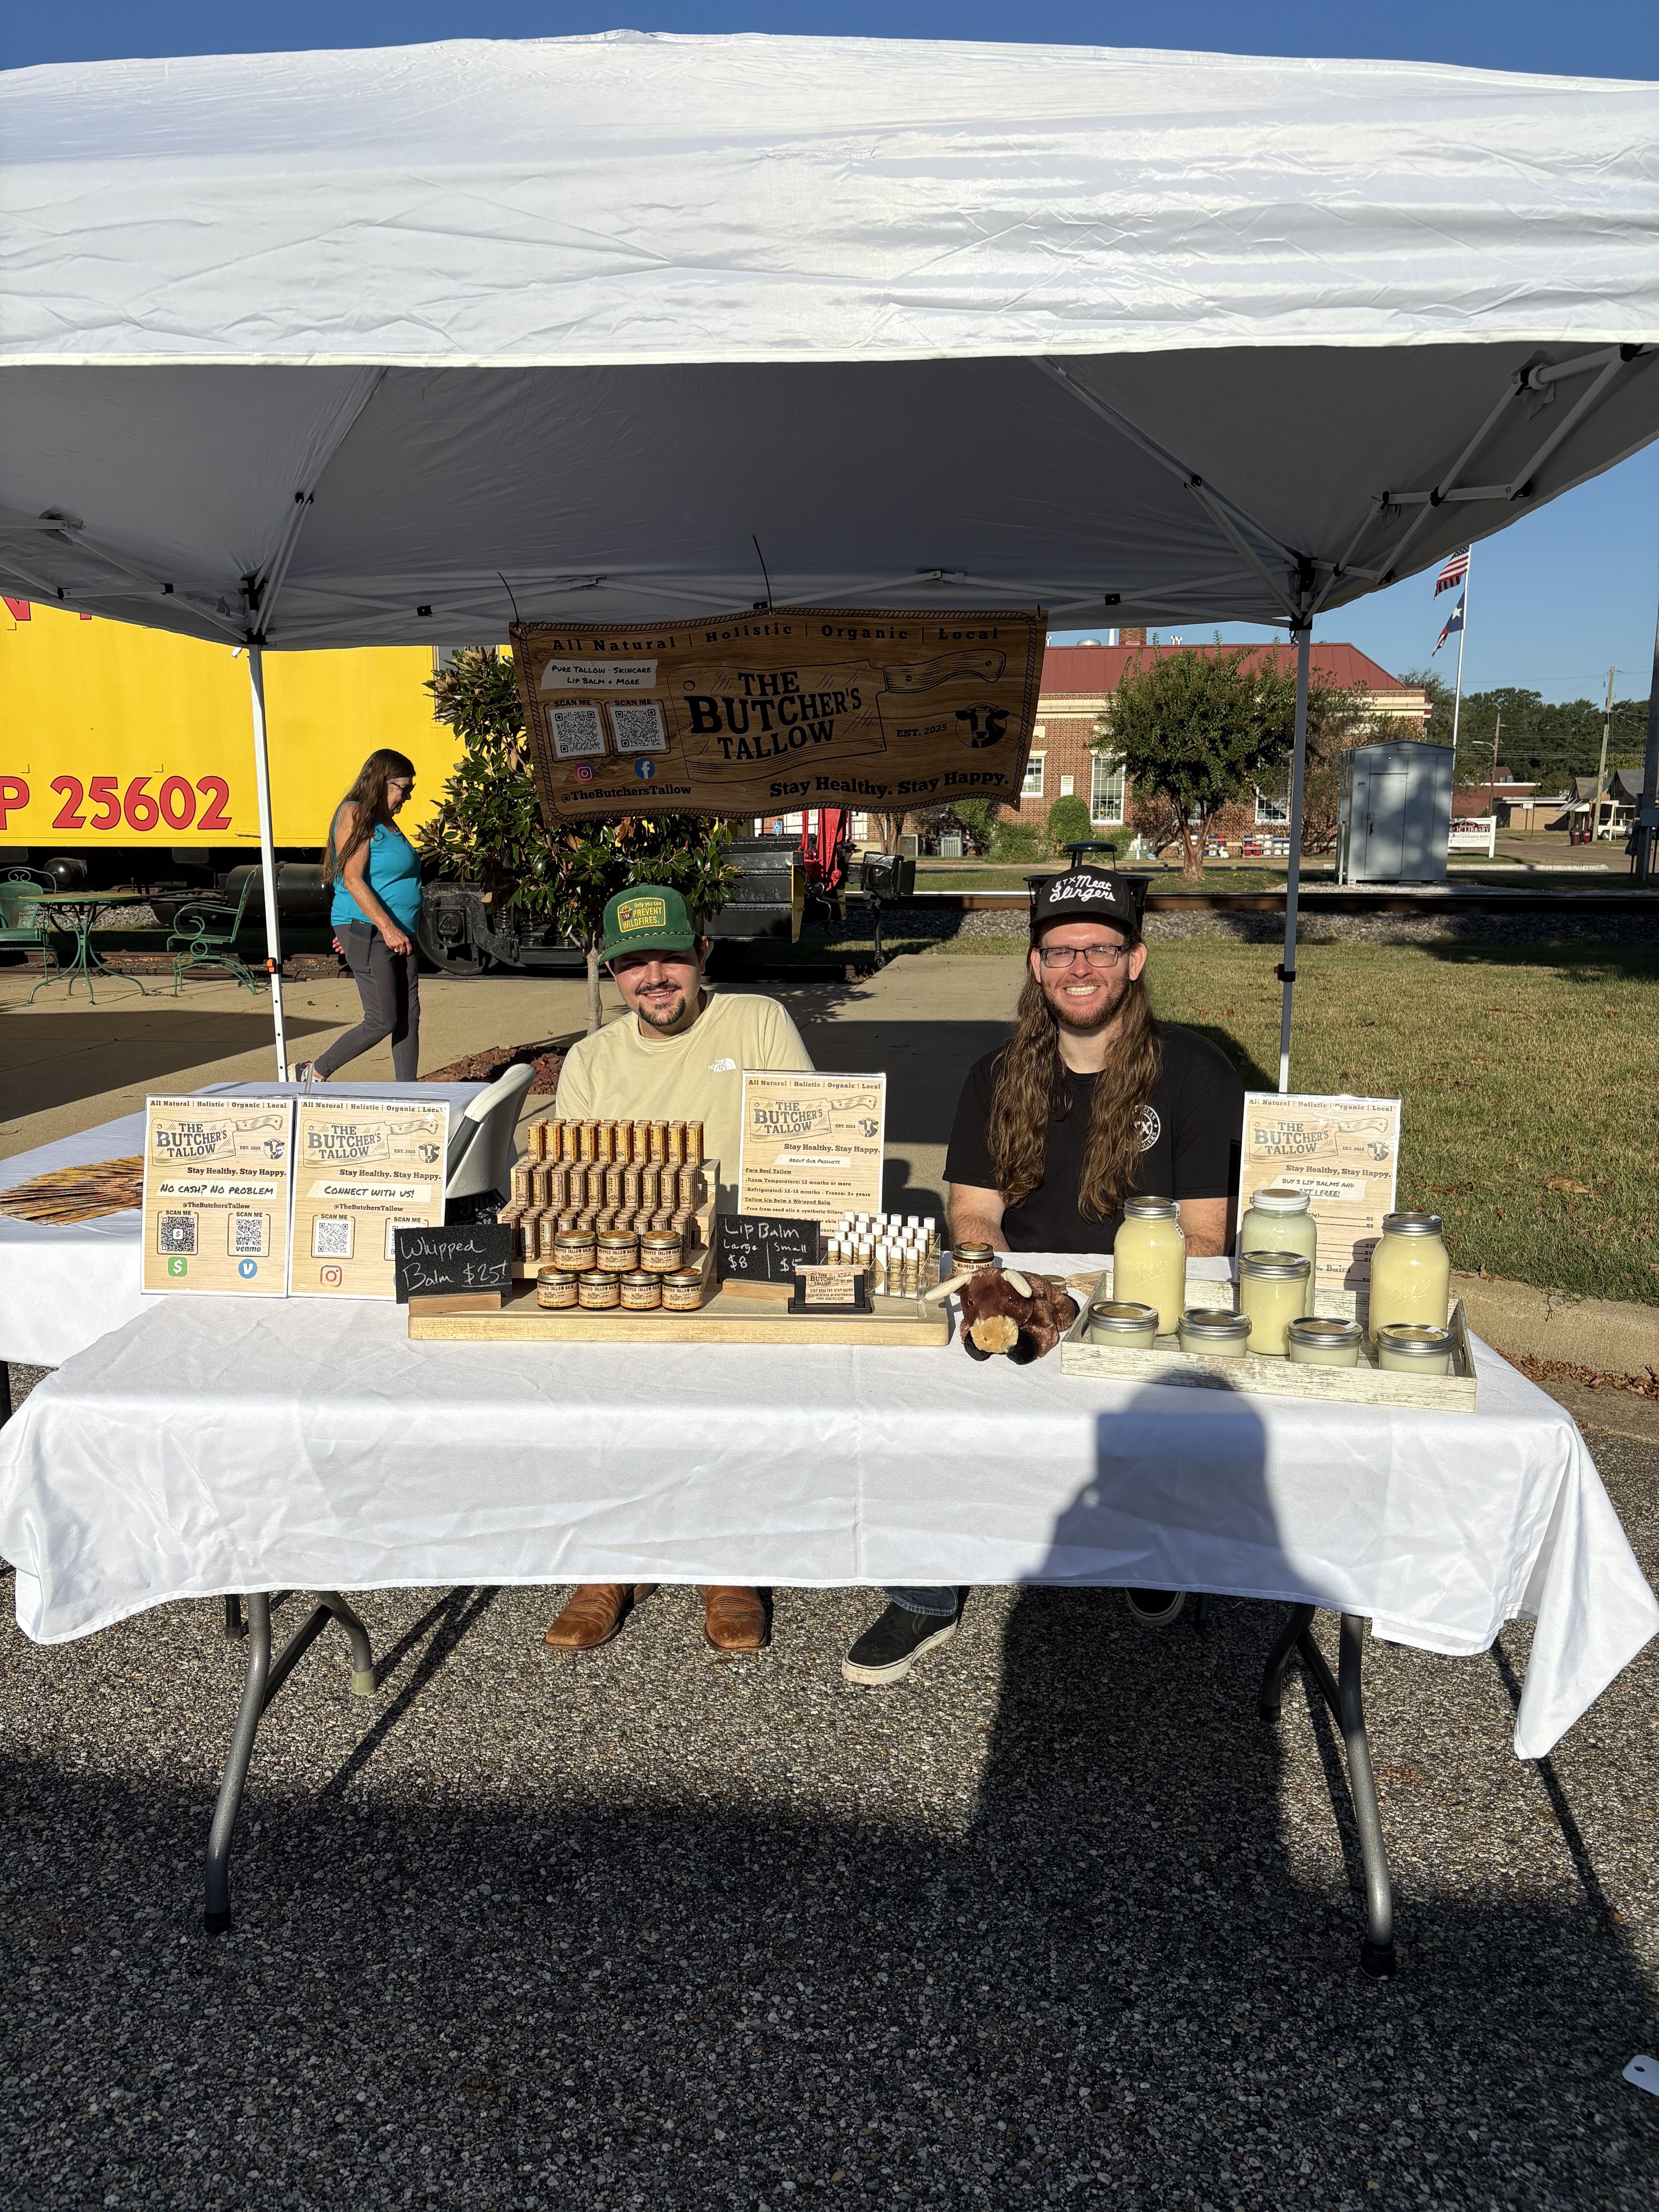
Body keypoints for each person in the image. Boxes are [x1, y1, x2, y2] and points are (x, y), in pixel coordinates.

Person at [841, 867, 1245, 1685]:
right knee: (917, 1379)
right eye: (1061, 952)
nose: (1081, 969)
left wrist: (1090, 1294)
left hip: (1139, 1298)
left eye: (1101, 948)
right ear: (1035, 966)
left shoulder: (1197, 1072)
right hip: (1022, 1292)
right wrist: (995, 1280)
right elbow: (975, 1215)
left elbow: (1206, 1237)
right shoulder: (994, 1075)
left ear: (1135, 960)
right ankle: (923, 1591)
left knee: (1165, 1388)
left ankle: (1149, 1553)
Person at [541, 883, 814, 1657]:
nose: (654, 978)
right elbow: (577, 1191)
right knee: (600, 1390)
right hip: (635, 1261)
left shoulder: (756, 1021)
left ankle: (725, 1564)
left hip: (746, 1256)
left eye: (669, 956)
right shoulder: (590, 1062)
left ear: (702, 954)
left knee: (732, 1403)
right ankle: (610, 1564)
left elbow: (805, 1133)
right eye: (633, 964)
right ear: (612, 974)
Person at [292, 750, 424, 1085]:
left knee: (409, 1015)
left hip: (394, 931)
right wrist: (383, 929)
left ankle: (407, 1092)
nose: (406, 797)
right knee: (382, 1019)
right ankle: (313, 1072)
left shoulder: (387, 822)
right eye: (402, 788)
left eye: (410, 790)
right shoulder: (354, 813)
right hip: (378, 931)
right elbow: (352, 879)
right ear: (381, 781)